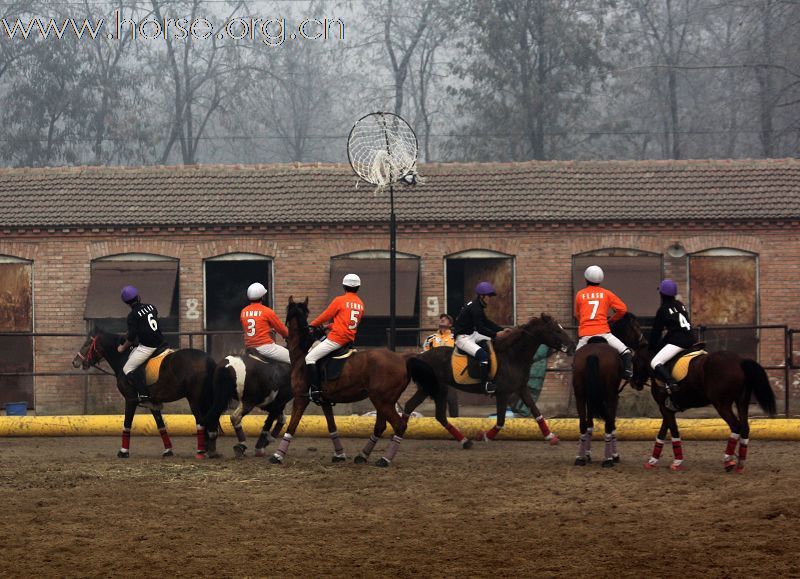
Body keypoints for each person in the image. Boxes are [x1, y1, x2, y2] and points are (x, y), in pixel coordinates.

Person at [305, 273, 364, 403]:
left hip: (336, 339)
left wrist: (312, 325)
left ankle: (315, 392)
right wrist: (329, 326)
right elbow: (347, 322)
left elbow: (326, 314)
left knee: (310, 357)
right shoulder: (360, 304)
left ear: (344, 286)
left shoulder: (339, 300)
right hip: (349, 340)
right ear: (358, 287)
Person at [574, 265, 633, 379]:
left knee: (576, 360)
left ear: (586, 278)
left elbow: (578, 315)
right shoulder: (607, 293)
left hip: (585, 335)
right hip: (603, 333)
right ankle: (627, 372)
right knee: (626, 352)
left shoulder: (580, 294)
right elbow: (623, 309)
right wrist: (612, 319)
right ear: (601, 279)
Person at [453, 281, 511, 394]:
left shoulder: (478, 305)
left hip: (472, 334)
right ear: (482, 296)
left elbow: (486, 322)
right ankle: (485, 384)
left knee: (491, 342)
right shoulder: (476, 308)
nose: (490, 298)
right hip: (463, 338)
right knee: (483, 355)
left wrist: (501, 330)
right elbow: (480, 328)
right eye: (489, 296)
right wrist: (495, 334)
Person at [649, 279, 696, 411]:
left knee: (655, 362)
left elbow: (656, 333)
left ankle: (671, 383)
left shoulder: (663, 309)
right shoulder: (681, 305)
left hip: (679, 342)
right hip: (691, 338)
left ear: (662, 294)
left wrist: (652, 347)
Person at [117, 285, 168, 403]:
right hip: (162, 342)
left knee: (127, 368)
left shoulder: (132, 316)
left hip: (148, 347)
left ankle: (144, 395)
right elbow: (146, 323)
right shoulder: (151, 307)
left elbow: (131, 338)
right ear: (138, 296)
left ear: (126, 303)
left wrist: (122, 347)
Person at [241, 282, 290, 364]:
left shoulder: (243, 311)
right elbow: (282, 330)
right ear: (262, 297)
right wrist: (288, 335)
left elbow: (252, 328)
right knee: (293, 358)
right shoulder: (267, 311)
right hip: (265, 348)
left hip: (249, 348)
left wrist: (268, 330)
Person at [423, 313, 459, 416]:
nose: (442, 319)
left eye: (446, 319)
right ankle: (441, 426)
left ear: (450, 324)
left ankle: (456, 424)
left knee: (452, 401)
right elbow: (425, 356)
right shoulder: (430, 339)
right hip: (435, 376)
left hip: (450, 376)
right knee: (439, 402)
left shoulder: (455, 338)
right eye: (441, 318)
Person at [510, 344, 553, 417]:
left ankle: (523, 412)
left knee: (531, 390)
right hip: (531, 367)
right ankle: (519, 410)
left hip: (536, 368)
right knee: (524, 389)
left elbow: (539, 354)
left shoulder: (542, 342)